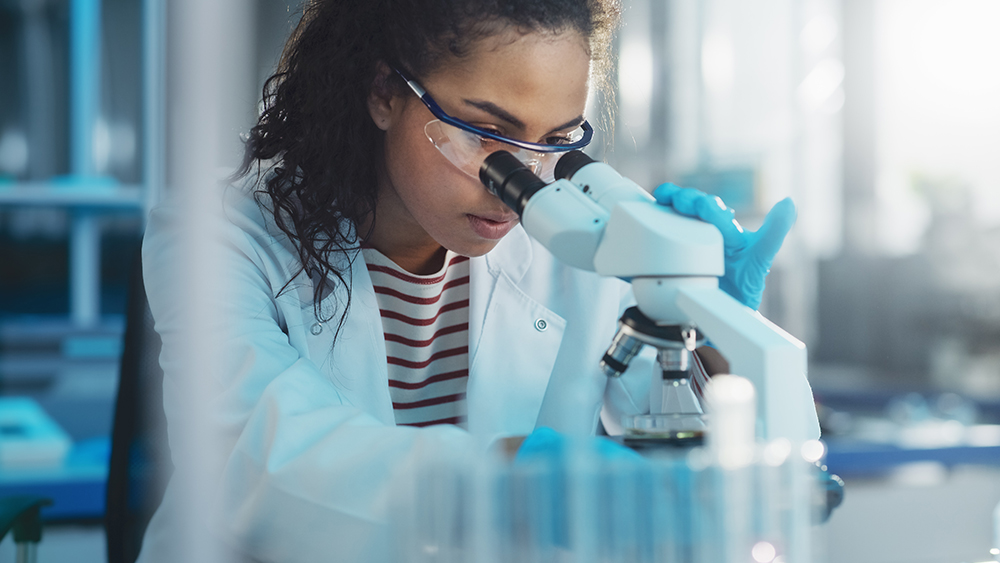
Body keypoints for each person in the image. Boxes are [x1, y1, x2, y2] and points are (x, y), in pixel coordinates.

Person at [138, 0, 818, 561]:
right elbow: (263, 461)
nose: (519, 181)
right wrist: (517, 480)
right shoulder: (218, 236)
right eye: (486, 131)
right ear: (384, 94)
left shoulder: (580, 244)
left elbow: (724, 468)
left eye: (554, 141)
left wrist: (721, 329)